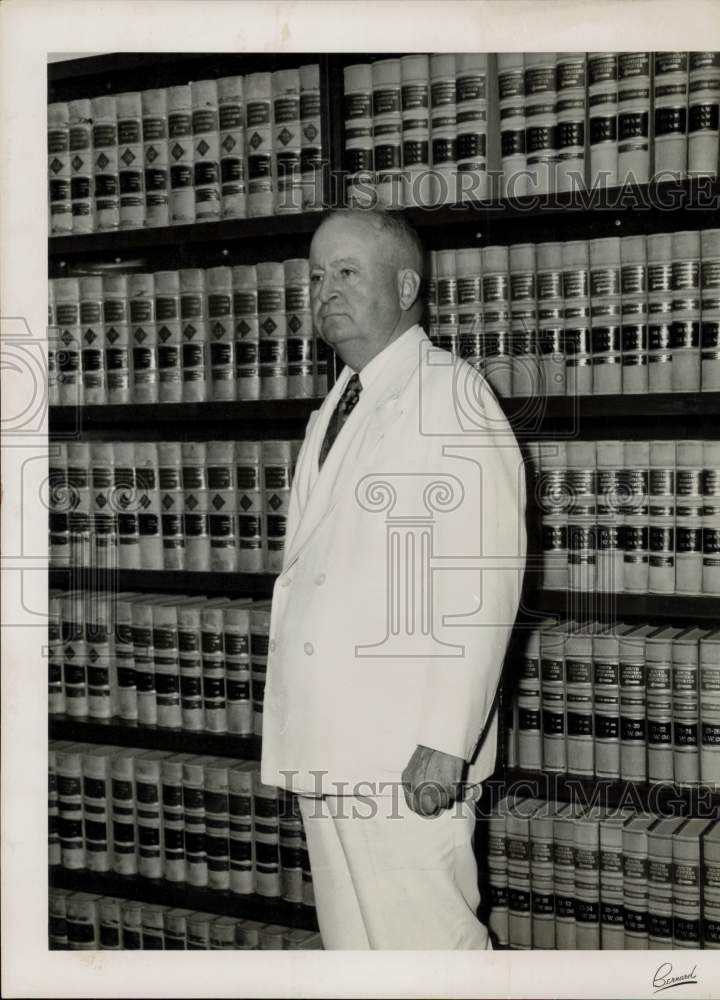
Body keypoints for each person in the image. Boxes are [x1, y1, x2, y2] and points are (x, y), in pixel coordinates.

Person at [260, 207, 525, 949]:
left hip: (401, 749)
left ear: (406, 284)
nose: (325, 291)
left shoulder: (451, 397)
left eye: (347, 272)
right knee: (360, 958)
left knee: (428, 952)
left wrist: (446, 739)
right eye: (315, 276)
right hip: (332, 739)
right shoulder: (339, 403)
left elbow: (484, 577)